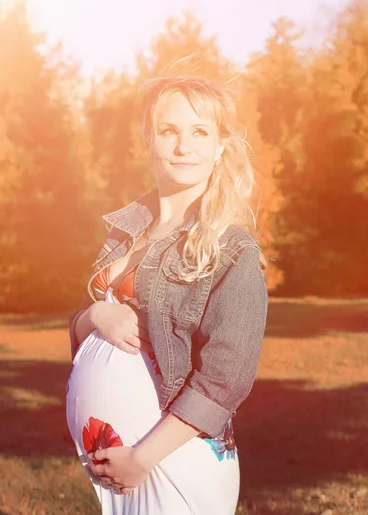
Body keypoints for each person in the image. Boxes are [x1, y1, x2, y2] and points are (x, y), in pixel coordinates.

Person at [65, 72, 269, 514]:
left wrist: (142, 459)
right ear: (148, 141)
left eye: (200, 132)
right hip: (120, 462)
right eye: (168, 131)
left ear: (219, 148)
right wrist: (94, 317)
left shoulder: (232, 249)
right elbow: (82, 322)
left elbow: (226, 378)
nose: (183, 146)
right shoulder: (126, 230)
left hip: (172, 459)